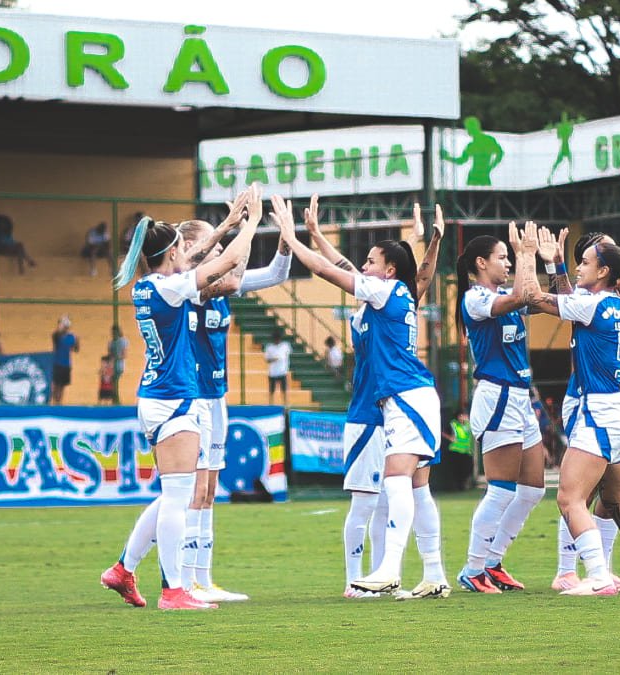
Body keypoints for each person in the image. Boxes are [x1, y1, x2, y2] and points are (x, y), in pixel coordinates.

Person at [274, 195, 451, 601]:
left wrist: (291, 238)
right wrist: (315, 234)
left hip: (404, 397)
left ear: (388, 270)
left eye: (370, 261)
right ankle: (434, 573)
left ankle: (387, 569)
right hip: (406, 397)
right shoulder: (394, 294)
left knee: (396, 483)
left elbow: (327, 271)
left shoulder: (385, 293)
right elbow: (342, 266)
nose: (363, 266)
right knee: (417, 487)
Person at [99, 208, 257, 611]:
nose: (188, 254)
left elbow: (195, 257)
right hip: (174, 399)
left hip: (155, 396)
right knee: (178, 499)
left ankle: (124, 569)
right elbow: (222, 263)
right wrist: (251, 224)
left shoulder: (147, 285)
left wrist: (222, 227)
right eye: (182, 251)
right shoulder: (172, 288)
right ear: (173, 255)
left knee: (174, 493)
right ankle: (173, 591)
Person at [523, 223, 620, 596]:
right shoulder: (619, 303)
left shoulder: (591, 303)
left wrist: (527, 255)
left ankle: (598, 577)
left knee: (569, 498)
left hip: (600, 411)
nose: (580, 267)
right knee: (617, 501)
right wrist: (558, 265)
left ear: (604, 271)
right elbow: (571, 302)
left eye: (586, 262)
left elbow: (532, 297)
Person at [176, 184, 293, 604]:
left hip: (217, 396)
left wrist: (285, 239)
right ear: (191, 246)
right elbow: (235, 275)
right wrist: (248, 225)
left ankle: (202, 580)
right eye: (214, 241)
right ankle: (183, 581)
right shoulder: (187, 286)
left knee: (208, 492)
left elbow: (276, 275)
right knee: (192, 492)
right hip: (192, 398)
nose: (221, 247)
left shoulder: (222, 285)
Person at [453, 227, 547, 594]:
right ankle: (474, 568)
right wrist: (526, 254)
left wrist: (548, 259)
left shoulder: (509, 295)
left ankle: (493, 561)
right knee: (501, 489)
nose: (508, 263)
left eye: (510, 258)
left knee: (533, 490)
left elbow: (536, 296)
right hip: (498, 397)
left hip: (521, 398)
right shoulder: (476, 299)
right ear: (481, 263)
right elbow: (525, 294)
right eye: (502, 257)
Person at [51, 316, 80, 405]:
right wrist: (60, 327)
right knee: (55, 385)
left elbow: (76, 349)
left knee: (62, 386)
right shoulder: (57, 336)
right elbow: (55, 337)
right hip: (57, 363)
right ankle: (54, 402)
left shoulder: (71, 337)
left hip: (66, 364)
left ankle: (59, 403)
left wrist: (77, 341)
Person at [264, 330, 291, 406]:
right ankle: (270, 405)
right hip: (273, 372)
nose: (277, 340)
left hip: (283, 371)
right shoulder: (269, 347)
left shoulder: (286, 345)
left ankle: (286, 406)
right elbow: (267, 360)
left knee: (284, 391)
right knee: (271, 391)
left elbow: (287, 354)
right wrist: (274, 359)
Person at [107, 325, 128, 405]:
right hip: (113, 364)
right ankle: (115, 398)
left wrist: (117, 357)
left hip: (119, 364)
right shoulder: (111, 342)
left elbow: (124, 354)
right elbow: (109, 354)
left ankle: (116, 398)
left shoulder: (122, 341)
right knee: (113, 382)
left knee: (115, 381)